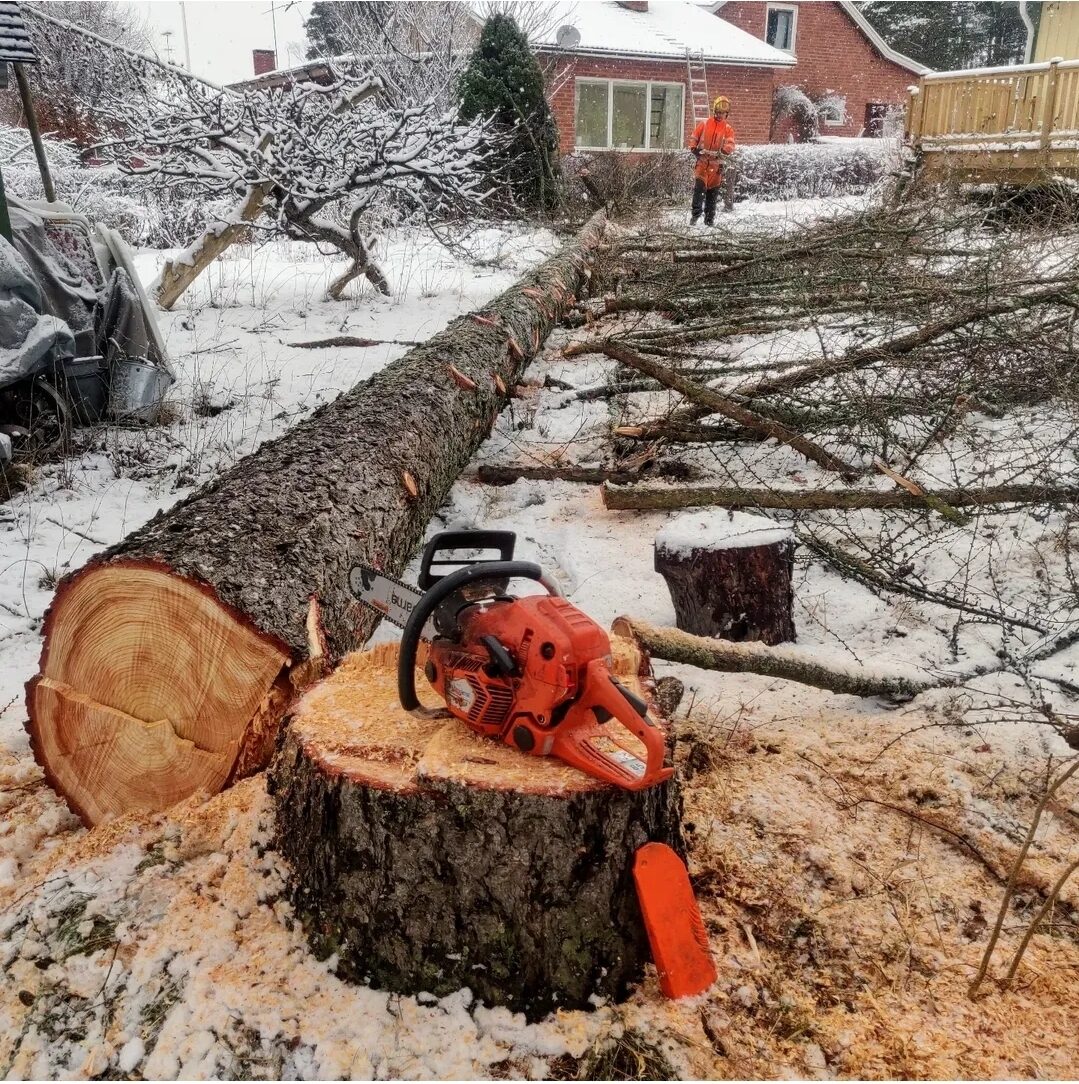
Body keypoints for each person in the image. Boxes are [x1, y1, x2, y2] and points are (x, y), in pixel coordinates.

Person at [689, 96, 736, 225]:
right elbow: (694, 136)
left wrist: (726, 150)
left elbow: (731, 143)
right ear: (715, 111)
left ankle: (709, 220)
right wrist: (694, 148)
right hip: (703, 163)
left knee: (712, 194)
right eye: (719, 112)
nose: (720, 115)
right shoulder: (704, 124)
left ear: (727, 114)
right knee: (699, 189)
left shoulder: (727, 129)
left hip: (716, 166)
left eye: (723, 113)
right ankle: (695, 216)